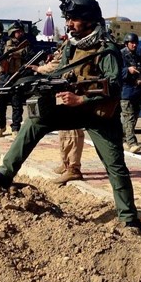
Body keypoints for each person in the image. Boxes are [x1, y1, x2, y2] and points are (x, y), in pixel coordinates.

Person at [0, 0, 141, 232]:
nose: (69, 24)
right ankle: (4, 174)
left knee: (114, 164)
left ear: (89, 20)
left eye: (73, 19)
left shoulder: (106, 49)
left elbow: (113, 87)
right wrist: (34, 81)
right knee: (35, 121)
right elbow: (61, 73)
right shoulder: (72, 45)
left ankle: (129, 217)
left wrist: (81, 98)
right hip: (74, 109)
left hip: (99, 114)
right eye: (68, 19)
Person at [30, 38, 86, 184]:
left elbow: (57, 66)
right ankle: (66, 163)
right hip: (63, 88)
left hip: (72, 91)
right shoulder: (71, 43)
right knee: (63, 129)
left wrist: (39, 69)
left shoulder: (78, 44)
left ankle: (74, 168)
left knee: (72, 131)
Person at [0, 22, 34, 137]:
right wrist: (4, 58)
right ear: (12, 32)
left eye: (21, 31)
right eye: (17, 31)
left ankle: (15, 128)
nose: (20, 33)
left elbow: (31, 58)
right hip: (4, 77)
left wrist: (19, 54)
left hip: (18, 77)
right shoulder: (4, 44)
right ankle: (0, 126)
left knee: (17, 104)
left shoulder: (26, 45)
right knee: (0, 104)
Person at [120, 32, 141, 154]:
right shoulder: (120, 56)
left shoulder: (138, 57)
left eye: (135, 43)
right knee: (129, 117)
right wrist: (128, 70)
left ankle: (122, 138)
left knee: (133, 119)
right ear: (126, 44)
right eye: (132, 43)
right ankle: (132, 143)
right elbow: (115, 73)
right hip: (126, 92)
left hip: (137, 92)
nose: (134, 45)